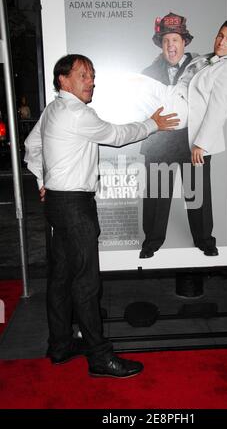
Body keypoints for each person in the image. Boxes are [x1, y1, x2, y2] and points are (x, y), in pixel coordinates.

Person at [24, 54, 179, 378]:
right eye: (83, 75)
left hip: (57, 203)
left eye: (91, 75)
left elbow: (30, 145)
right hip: (74, 206)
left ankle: (61, 345)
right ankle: (99, 357)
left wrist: (43, 181)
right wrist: (153, 123)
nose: (91, 80)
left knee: (62, 278)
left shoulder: (53, 110)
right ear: (63, 80)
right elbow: (117, 135)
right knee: (86, 283)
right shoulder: (76, 113)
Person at [139, 15, 227, 261]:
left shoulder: (203, 63)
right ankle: (151, 242)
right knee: (156, 194)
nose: (171, 45)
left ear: (184, 42)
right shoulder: (148, 72)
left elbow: (217, 106)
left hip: (192, 139)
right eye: (165, 40)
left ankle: (205, 241)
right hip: (160, 140)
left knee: (198, 194)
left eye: (175, 39)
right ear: (160, 44)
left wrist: (202, 142)